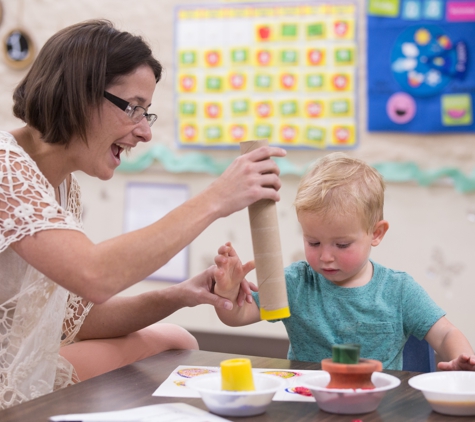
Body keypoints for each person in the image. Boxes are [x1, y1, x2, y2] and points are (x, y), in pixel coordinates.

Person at [0, 19, 286, 409]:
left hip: (14, 363)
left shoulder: (63, 186)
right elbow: (94, 276)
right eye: (133, 108)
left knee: (176, 339)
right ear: (80, 93)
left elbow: (74, 321)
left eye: (145, 113)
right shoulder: (5, 168)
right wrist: (218, 197)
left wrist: (182, 294)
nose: (145, 132)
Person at [213, 152, 475, 371]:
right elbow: (238, 316)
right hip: (307, 403)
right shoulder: (295, 282)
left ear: (376, 233)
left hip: (379, 407)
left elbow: (445, 333)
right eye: (313, 242)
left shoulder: (400, 290)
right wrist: (226, 290)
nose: (325, 256)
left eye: (341, 245)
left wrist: (461, 366)